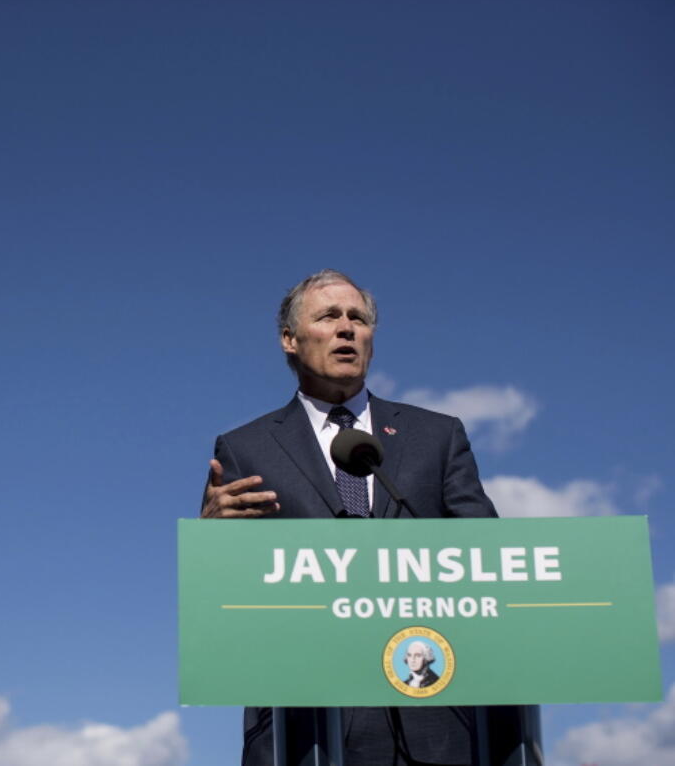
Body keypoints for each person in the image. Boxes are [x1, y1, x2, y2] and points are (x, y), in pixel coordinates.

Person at [201, 270, 499, 766]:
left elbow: (487, 556)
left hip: (430, 716)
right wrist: (210, 544)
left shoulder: (437, 436)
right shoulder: (244, 448)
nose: (346, 328)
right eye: (328, 316)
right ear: (290, 340)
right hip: (302, 721)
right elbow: (226, 600)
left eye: (357, 318)